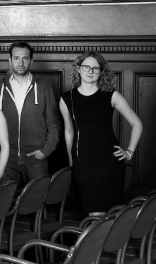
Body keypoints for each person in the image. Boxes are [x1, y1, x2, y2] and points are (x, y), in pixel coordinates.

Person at [59, 51, 143, 214]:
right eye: (86, 67)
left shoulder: (111, 95)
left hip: (110, 163)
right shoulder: (66, 98)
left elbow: (137, 123)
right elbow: (69, 132)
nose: (90, 71)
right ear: (78, 68)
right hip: (83, 163)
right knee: (94, 216)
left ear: (101, 71)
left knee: (111, 215)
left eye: (95, 68)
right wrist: (72, 163)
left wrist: (129, 152)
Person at [0, 41, 61, 185]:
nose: (20, 63)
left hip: (35, 158)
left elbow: (54, 124)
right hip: (6, 157)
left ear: (31, 60)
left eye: (25, 58)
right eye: (16, 58)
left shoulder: (44, 87)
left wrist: (45, 151)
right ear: (10, 60)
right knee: (3, 202)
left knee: (36, 201)